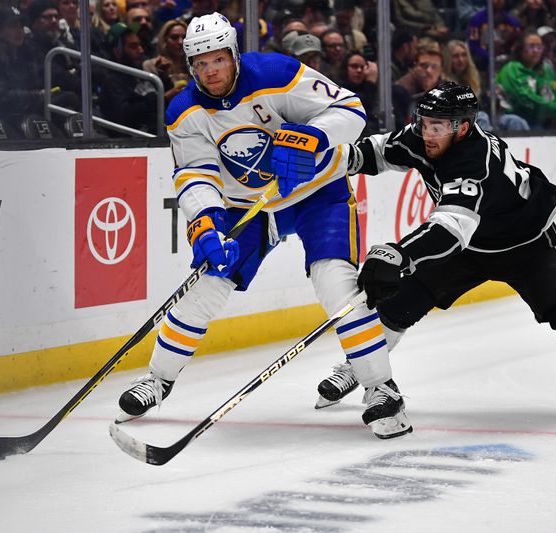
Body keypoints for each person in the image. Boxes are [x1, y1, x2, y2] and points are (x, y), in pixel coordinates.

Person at [315, 81, 556, 431]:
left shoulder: (473, 161)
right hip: (469, 245)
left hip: (527, 245)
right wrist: (321, 160)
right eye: (424, 123)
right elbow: (378, 151)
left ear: (462, 128)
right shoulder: (426, 135)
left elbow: (449, 229)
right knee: (397, 303)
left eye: (438, 127)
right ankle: (362, 368)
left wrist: (398, 255)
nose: (427, 133)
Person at [116, 12, 410, 439]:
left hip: (316, 193)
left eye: (217, 59)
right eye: (200, 63)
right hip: (248, 207)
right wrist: (204, 221)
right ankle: (157, 381)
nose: (210, 71)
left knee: (336, 283)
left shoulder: (276, 72)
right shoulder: (183, 111)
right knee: (206, 288)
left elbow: (350, 109)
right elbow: (195, 175)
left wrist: (313, 137)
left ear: (233, 55)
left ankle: (382, 389)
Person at [98, 22, 158, 135]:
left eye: (140, 45)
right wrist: (160, 99)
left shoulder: (141, 72)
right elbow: (125, 115)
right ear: (117, 52)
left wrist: (165, 79)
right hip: (136, 141)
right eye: (134, 46)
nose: (141, 50)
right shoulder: (112, 81)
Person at [142, 19, 189, 107]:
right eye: (174, 37)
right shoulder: (151, 65)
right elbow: (150, 101)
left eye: (184, 37)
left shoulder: (193, 65)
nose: (180, 42)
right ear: (164, 40)